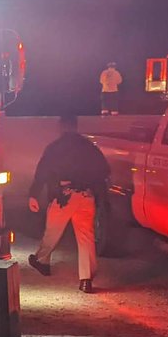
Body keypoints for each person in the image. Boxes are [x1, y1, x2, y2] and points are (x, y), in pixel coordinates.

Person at [27, 113, 110, 293]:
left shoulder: (55, 148)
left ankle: (41, 261)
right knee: (86, 237)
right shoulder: (89, 147)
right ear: (76, 126)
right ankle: (86, 279)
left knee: (52, 232)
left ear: (61, 127)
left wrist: (33, 195)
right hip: (86, 195)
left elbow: (42, 172)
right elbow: (104, 170)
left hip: (63, 196)